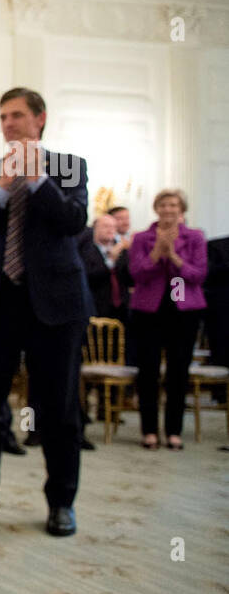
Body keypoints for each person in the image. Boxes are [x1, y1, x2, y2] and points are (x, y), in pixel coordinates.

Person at [0, 87, 91, 537]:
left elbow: (73, 221)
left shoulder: (70, 166)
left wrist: (36, 180)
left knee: (58, 407)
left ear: (40, 118)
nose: (8, 124)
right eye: (3, 116)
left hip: (55, 304)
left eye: (16, 115)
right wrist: (5, 185)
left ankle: (61, 503)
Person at [128, 189, 207, 450]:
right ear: (156, 208)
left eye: (173, 205)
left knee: (178, 372)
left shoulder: (195, 237)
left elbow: (197, 274)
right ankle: (149, 431)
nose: (168, 209)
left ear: (181, 209)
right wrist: (156, 253)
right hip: (149, 310)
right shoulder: (141, 238)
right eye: (163, 204)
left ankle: (174, 431)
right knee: (148, 371)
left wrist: (172, 255)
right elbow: (137, 274)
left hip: (183, 308)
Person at [79, 213, 130, 322]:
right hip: (97, 307)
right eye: (106, 226)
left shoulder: (122, 250)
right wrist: (110, 260)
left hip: (122, 307)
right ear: (95, 229)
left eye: (113, 227)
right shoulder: (85, 250)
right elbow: (89, 277)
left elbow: (130, 279)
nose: (110, 230)